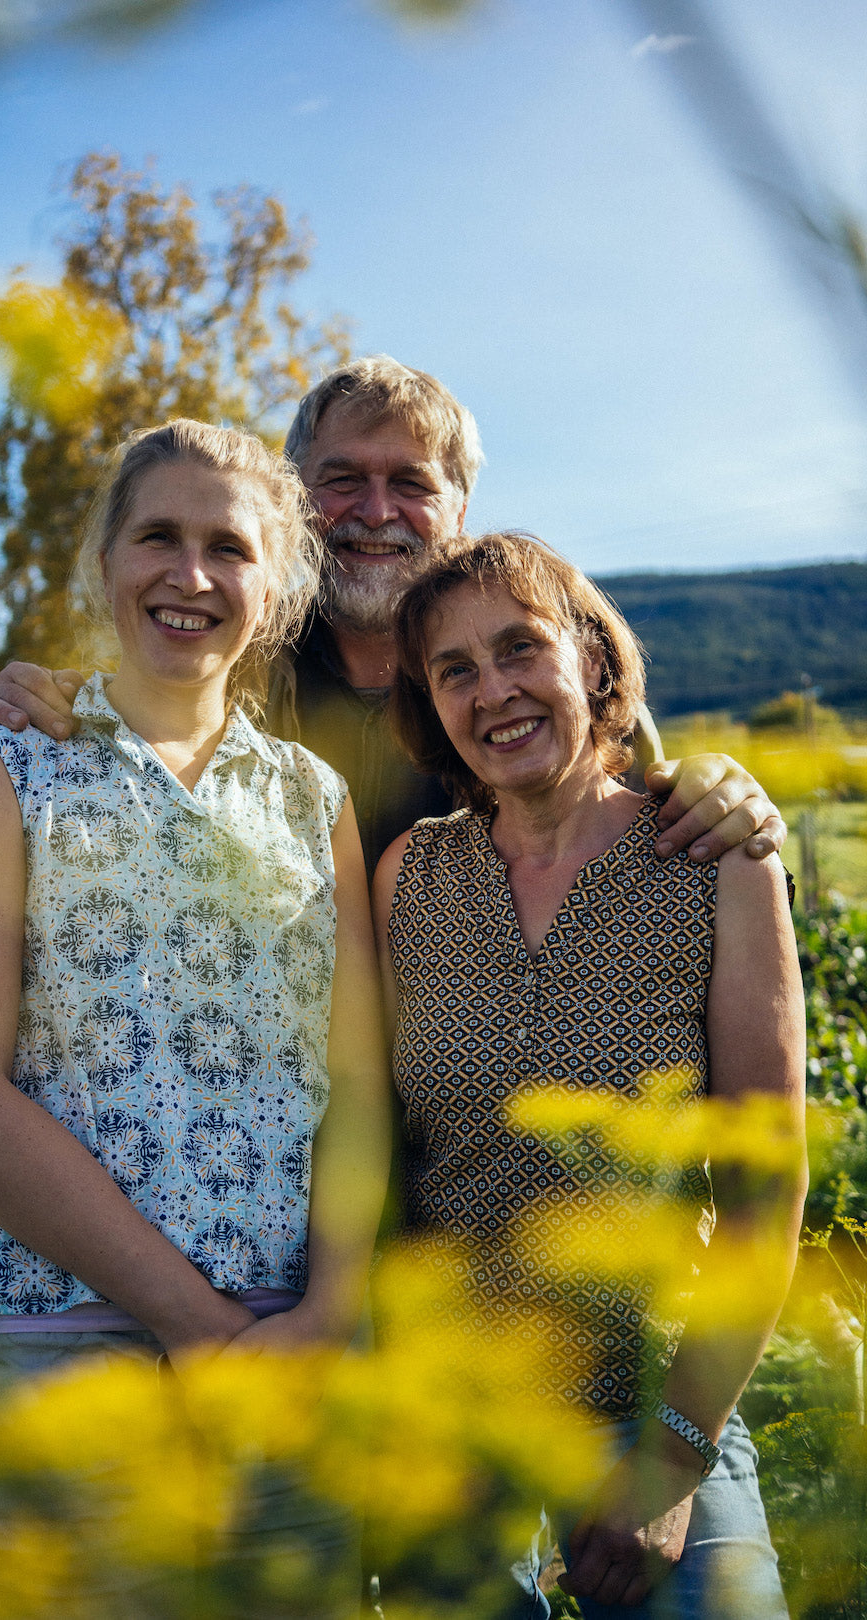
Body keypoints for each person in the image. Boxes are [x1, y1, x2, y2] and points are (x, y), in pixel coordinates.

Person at [0, 420, 392, 1617]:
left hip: (285, 1352)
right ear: (104, 560)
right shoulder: (13, 759)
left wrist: (326, 1315)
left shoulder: (310, 794)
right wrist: (197, 1327)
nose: (190, 575)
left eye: (228, 548)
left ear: (275, 588)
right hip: (44, 1339)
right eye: (158, 538)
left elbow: (357, 1087)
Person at [372, 531, 807, 1619]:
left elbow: (765, 1189)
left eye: (521, 649)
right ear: (430, 708)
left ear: (594, 666)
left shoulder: (710, 858)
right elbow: (382, 1157)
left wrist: (673, 1461)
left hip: (657, 1398)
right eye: (456, 670)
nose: (495, 693)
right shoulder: (406, 879)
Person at [0, 357, 787, 874]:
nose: (375, 512)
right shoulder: (226, 659)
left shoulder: (553, 698)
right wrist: (39, 702)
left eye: (412, 484)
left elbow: (666, 858)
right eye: (343, 478)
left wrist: (719, 793)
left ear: (462, 510)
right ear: (294, 501)